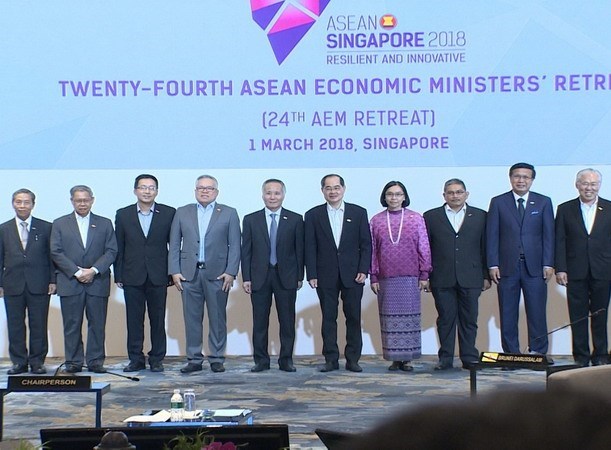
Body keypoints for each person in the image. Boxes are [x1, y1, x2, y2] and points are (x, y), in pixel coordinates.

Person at [168, 175, 240, 374]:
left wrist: (231, 271)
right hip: (189, 274)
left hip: (218, 275)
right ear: (195, 191)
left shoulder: (229, 213)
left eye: (209, 188)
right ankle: (194, 359)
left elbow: (235, 245)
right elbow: (174, 243)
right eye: (200, 188)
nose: (205, 191)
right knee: (191, 319)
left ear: (216, 192)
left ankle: (216, 358)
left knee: (217, 318)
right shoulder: (183, 212)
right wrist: (174, 270)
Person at [305, 174, 371, 373]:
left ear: (343, 189)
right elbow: (310, 246)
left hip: (353, 274)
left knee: (353, 317)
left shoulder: (358, 212)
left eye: (336, 187)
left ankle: (353, 359)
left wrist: (363, 269)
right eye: (328, 188)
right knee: (328, 318)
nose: (332, 191)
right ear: (322, 190)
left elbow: (366, 244)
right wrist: (312, 273)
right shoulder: (313, 214)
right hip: (325, 274)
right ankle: (331, 359)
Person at [486, 163, 554, 356]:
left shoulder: (543, 202)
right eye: (517, 176)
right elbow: (492, 235)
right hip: (507, 267)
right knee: (508, 313)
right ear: (510, 178)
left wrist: (548, 263)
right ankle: (511, 354)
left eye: (526, 177)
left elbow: (549, 235)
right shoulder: (498, 202)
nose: (521, 180)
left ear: (532, 180)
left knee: (537, 313)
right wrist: (493, 264)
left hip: (535, 268)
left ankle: (538, 353)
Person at [423, 179, 490, 370]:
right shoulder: (431, 216)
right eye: (450, 193)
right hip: (441, 276)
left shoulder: (480, 216)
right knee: (445, 319)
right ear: (444, 195)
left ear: (466, 194)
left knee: (469, 319)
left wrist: (485, 275)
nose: (455, 196)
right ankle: (445, 358)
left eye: (459, 192)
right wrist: (426, 275)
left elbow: (485, 247)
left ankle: (469, 357)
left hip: (471, 276)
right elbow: (425, 249)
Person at [50, 185, 117, 373]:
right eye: (78, 200)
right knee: (72, 325)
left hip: (97, 281)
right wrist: (77, 272)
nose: (82, 203)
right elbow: (56, 251)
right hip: (70, 281)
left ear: (92, 200)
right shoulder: (60, 223)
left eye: (85, 200)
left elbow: (112, 250)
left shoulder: (104, 223)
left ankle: (96, 361)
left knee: (97, 324)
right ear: (71, 201)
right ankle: (74, 362)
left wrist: (93, 270)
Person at [241, 179, 304, 373]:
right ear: (263, 195)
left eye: (276, 193)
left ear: (283, 195)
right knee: (260, 321)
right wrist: (246, 278)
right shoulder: (251, 219)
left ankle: (286, 360)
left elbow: (299, 250)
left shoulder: (295, 219)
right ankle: (261, 361)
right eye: (269, 193)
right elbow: (246, 251)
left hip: (286, 277)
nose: (272, 197)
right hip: (260, 277)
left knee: (287, 321)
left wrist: (299, 276)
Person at [115, 174, 176, 373]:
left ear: (156, 191)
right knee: (134, 320)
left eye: (151, 188)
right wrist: (118, 275)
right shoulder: (123, 214)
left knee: (158, 320)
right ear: (135, 191)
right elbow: (119, 246)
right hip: (132, 275)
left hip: (158, 275)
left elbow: (173, 245)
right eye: (143, 187)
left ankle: (157, 358)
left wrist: (172, 272)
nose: (147, 191)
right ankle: (135, 359)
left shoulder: (168, 213)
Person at [370, 181, 431, 372]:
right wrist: (373, 276)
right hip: (386, 278)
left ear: (404, 197)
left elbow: (424, 246)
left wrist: (424, 273)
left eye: (398, 194)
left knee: (410, 318)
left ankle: (407, 359)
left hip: (410, 277)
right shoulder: (376, 220)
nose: (393, 198)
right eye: (390, 194)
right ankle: (394, 359)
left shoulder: (416, 218)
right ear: (384, 197)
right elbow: (372, 250)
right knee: (388, 319)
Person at [555, 168, 611, 367]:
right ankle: (580, 356)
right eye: (585, 183)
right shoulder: (565, 209)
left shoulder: (609, 207)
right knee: (577, 316)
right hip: (574, 270)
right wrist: (560, 268)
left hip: (603, 270)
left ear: (599, 186)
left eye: (593, 184)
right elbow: (559, 240)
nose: (589, 188)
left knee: (600, 314)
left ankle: (601, 355)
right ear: (577, 185)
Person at [0, 189, 56, 374]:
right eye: (18, 202)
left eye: (26, 202)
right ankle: (19, 362)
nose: (22, 206)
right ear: (13, 204)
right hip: (12, 284)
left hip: (39, 283)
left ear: (33, 204)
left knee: (38, 324)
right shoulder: (3, 228)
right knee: (15, 324)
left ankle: (37, 362)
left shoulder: (46, 227)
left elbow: (51, 257)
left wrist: (52, 280)